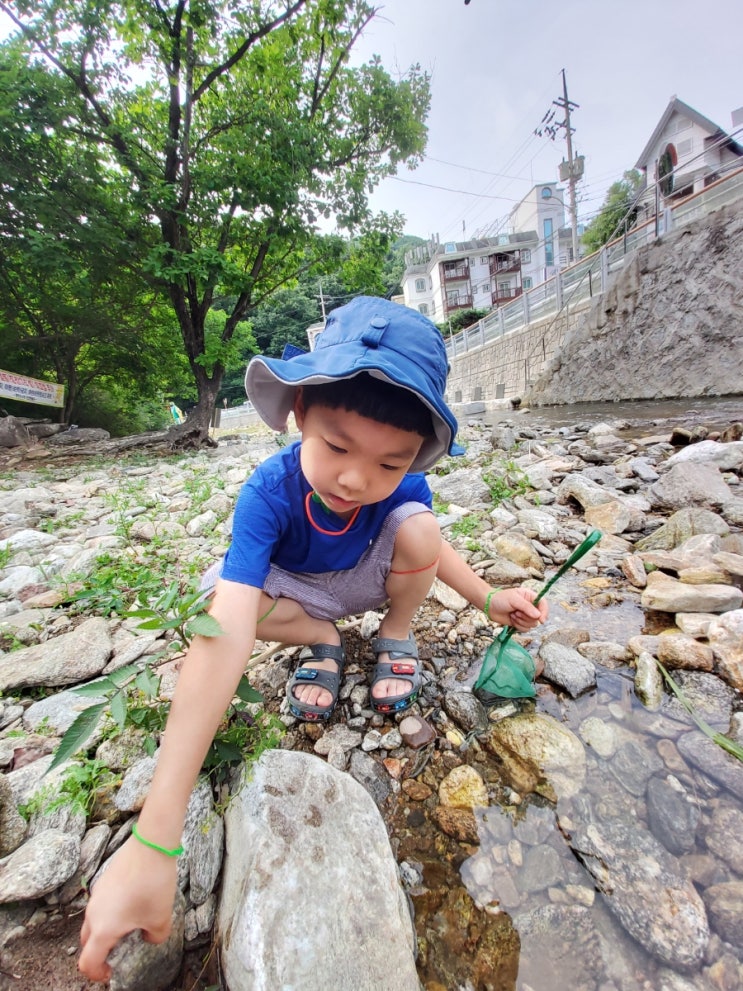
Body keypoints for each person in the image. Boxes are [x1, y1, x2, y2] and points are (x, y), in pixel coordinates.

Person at [78, 296, 548, 981]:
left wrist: (487, 597)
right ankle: (323, 640)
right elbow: (229, 623)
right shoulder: (266, 492)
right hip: (296, 597)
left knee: (418, 527)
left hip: (362, 583)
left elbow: (432, 552)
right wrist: (155, 834)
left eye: (391, 463)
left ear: (416, 454)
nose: (358, 478)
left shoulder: (400, 486)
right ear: (299, 411)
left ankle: (393, 636)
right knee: (215, 599)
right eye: (335, 446)